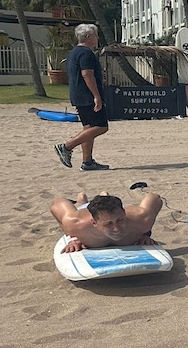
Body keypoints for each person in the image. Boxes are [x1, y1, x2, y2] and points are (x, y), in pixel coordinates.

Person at [53, 24, 110, 171]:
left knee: (88, 128)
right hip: (87, 95)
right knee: (101, 126)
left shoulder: (74, 53)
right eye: (96, 35)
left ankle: (88, 162)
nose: (97, 38)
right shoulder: (86, 53)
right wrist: (96, 96)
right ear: (89, 36)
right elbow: (87, 74)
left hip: (78, 94)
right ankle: (66, 147)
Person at [50, 190, 164, 253]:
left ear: (124, 214)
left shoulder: (142, 219)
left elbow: (155, 197)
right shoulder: (75, 223)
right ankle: (81, 198)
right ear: (94, 223)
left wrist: (145, 233)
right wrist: (72, 237)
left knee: (110, 212)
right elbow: (57, 204)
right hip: (84, 211)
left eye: (120, 220)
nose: (116, 228)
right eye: (108, 224)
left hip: (113, 210)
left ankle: (104, 196)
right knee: (80, 205)